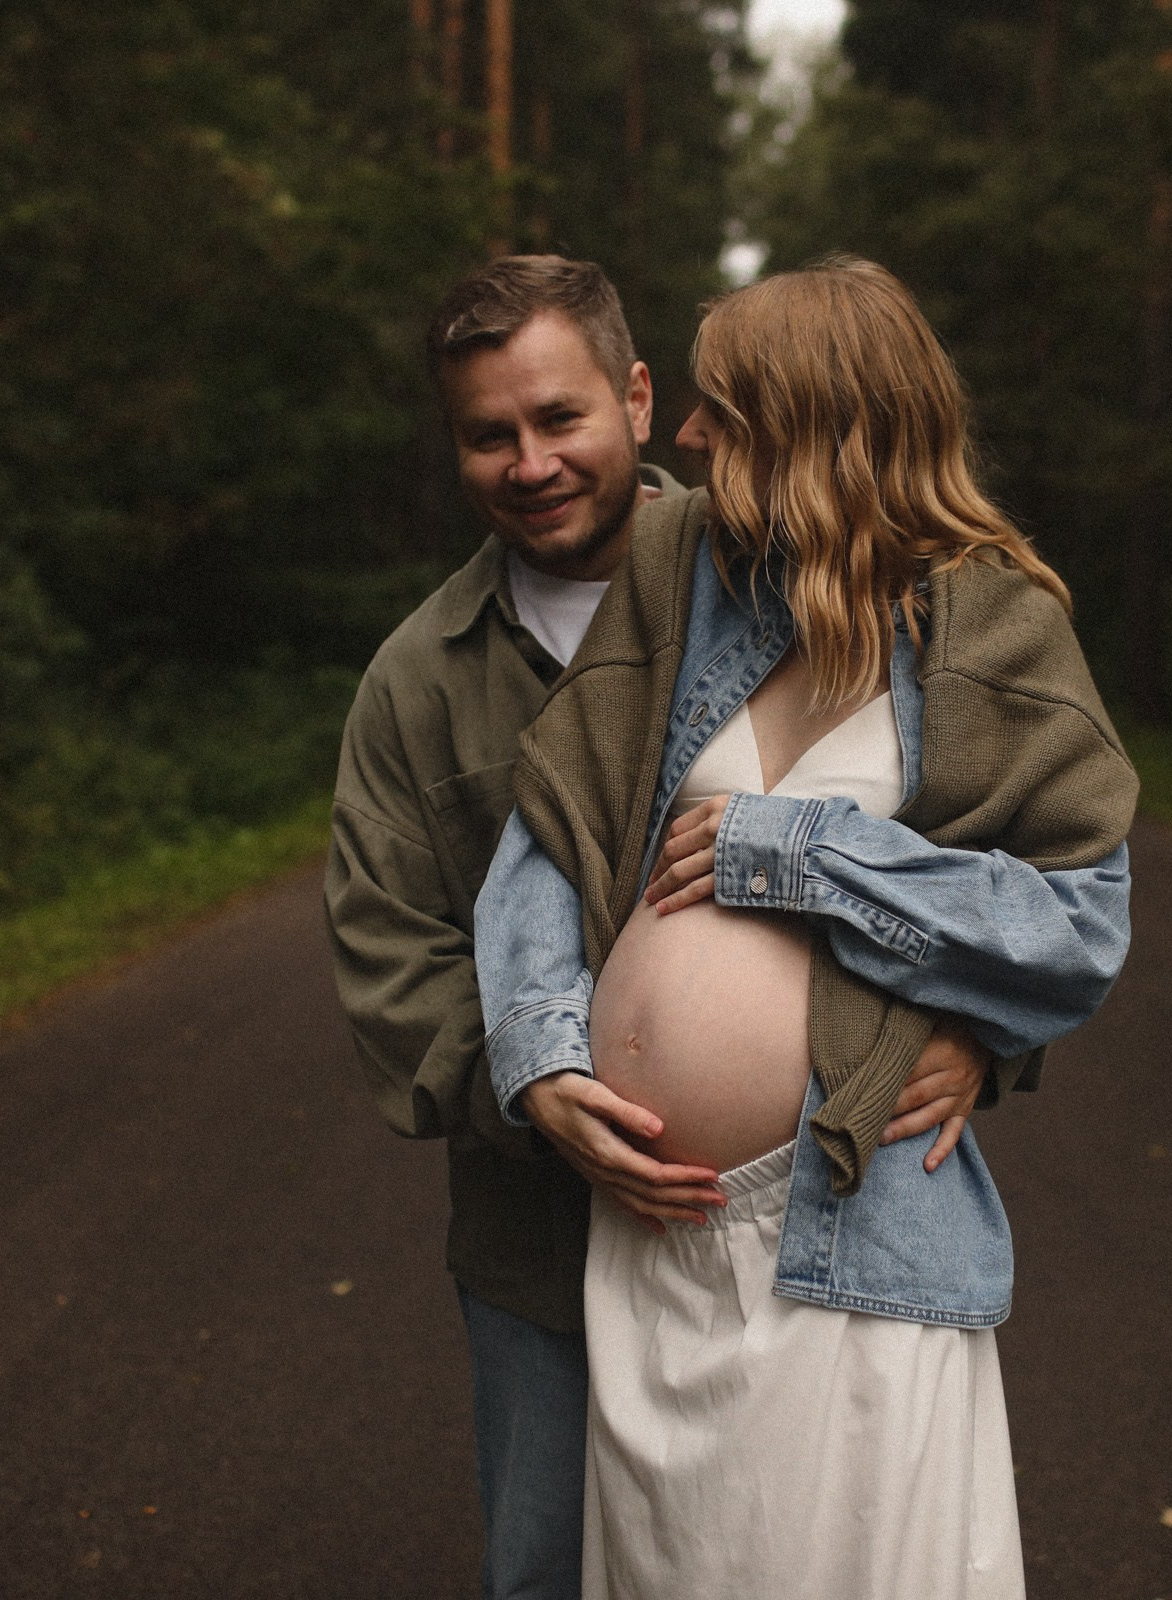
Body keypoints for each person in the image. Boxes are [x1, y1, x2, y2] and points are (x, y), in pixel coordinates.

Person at [324, 255, 999, 1600]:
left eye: (558, 417)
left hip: (810, 1236)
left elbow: (990, 845)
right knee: (547, 1571)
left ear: (637, 399)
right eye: (488, 434)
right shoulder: (416, 680)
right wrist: (536, 1090)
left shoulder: (807, 571)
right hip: (543, 1251)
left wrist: (982, 1033)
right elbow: (389, 957)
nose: (530, 462)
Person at [473, 256, 1138, 1598]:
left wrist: (806, 853)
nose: (691, 438)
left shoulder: (998, 628)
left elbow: (1075, 925)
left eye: (724, 409)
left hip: (853, 1220)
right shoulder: (680, 569)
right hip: (652, 1235)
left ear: (818, 427)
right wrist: (543, 1054)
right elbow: (549, 833)